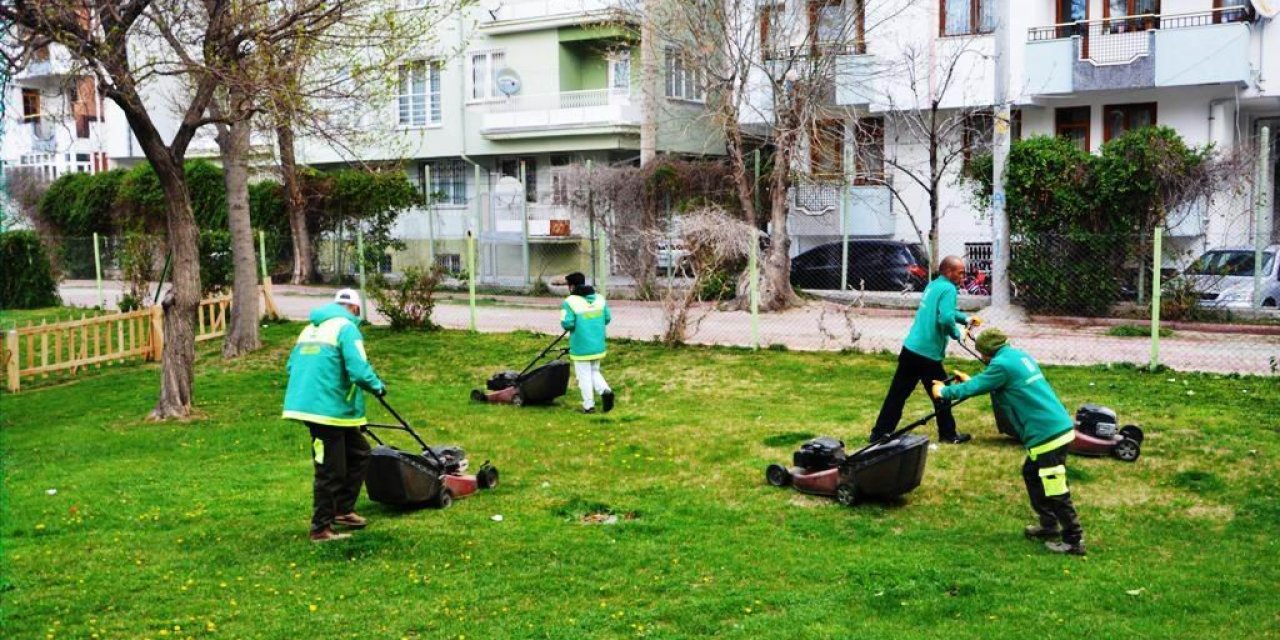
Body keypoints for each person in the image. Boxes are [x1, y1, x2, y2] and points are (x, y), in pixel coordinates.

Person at [932, 329, 1086, 556]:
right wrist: (976, 379)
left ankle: (1074, 540)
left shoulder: (1001, 366)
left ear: (988, 352)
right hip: (1055, 425)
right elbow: (993, 380)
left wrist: (944, 391)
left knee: (1055, 487)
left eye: (982, 354)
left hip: (1047, 434)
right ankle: (1048, 524)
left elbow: (975, 388)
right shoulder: (1016, 356)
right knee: (1031, 474)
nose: (982, 357)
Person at [282, 288, 387, 543]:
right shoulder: (346, 327)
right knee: (330, 468)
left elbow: (291, 366)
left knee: (360, 453)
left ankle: (342, 510)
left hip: (319, 406)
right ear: (355, 309)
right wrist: (377, 386)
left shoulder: (309, 328)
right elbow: (359, 370)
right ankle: (320, 529)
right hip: (325, 409)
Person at [869, 255, 979, 444]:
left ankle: (879, 434)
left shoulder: (934, 285)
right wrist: (957, 333)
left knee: (897, 395)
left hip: (911, 348)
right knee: (942, 393)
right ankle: (948, 435)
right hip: (927, 355)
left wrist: (965, 319)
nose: (963, 277)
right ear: (949, 271)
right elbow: (945, 318)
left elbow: (947, 312)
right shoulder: (949, 289)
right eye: (960, 273)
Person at [560, 272, 614, 414]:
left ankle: (588, 406)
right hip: (597, 344)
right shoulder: (600, 299)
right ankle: (605, 391)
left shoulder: (570, 302)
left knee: (583, 375)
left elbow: (568, 324)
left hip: (581, 346)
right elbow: (607, 318)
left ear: (571, 287)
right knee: (594, 371)